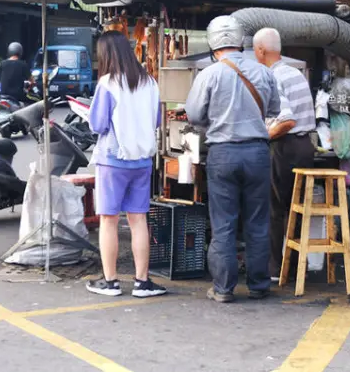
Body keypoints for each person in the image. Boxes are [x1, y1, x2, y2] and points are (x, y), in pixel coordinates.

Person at [185, 16, 280, 303]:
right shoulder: (264, 72)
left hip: (223, 153)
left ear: (214, 45)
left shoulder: (209, 74)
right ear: (241, 42)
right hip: (258, 153)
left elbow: (193, 115)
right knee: (257, 221)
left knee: (224, 223)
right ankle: (258, 284)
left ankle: (224, 289)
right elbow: (274, 109)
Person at [85, 31, 167, 298]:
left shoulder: (107, 84)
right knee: (138, 219)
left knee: (108, 220)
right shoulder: (150, 83)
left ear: (106, 55)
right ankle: (142, 282)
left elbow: (97, 124)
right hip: (142, 161)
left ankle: (111, 282)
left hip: (112, 160)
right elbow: (155, 121)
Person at [253, 28, 316, 280]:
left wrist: (262, 137)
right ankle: (296, 266)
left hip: (285, 146)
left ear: (260, 50)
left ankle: (275, 270)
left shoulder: (273, 76)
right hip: (305, 147)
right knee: (296, 208)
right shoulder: (295, 72)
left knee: (274, 209)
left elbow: (286, 120)